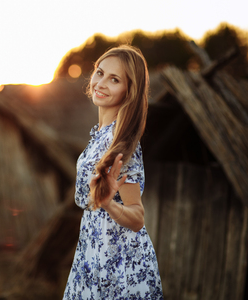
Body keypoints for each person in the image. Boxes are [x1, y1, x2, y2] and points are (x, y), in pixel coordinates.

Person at [62, 45, 163, 299]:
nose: (101, 83)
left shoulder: (122, 143)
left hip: (120, 267)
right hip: (92, 256)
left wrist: (107, 204)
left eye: (114, 79)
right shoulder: (100, 135)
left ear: (129, 91)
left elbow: (137, 216)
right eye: (100, 72)